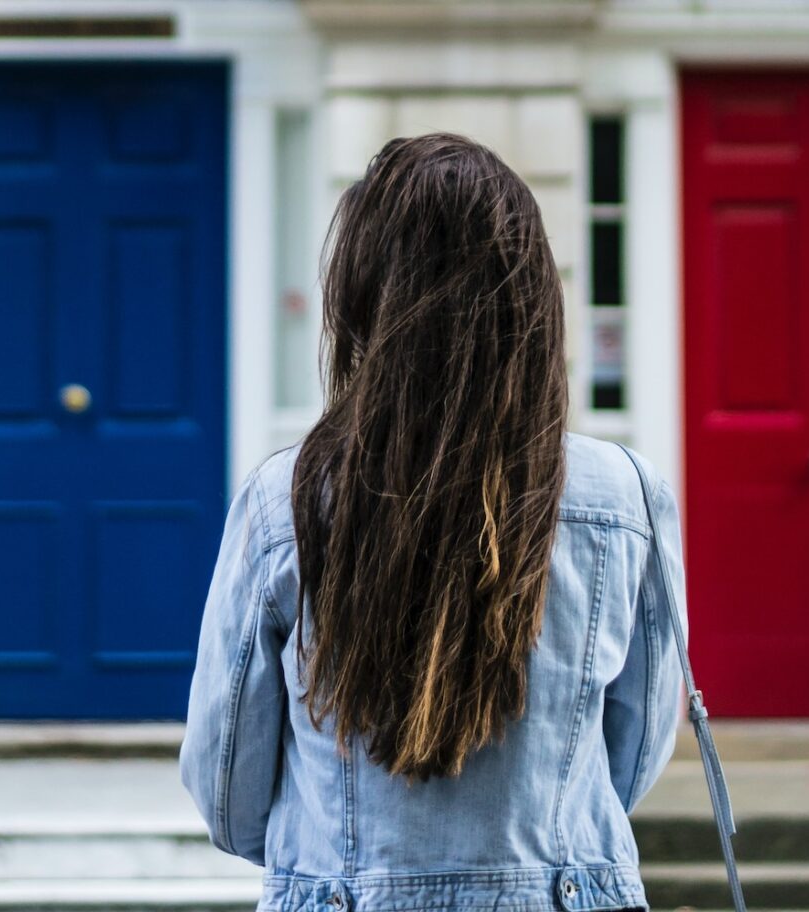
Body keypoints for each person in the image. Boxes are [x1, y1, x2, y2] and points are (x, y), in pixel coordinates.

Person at [179, 132, 687, 912]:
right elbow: (634, 754)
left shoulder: (284, 500)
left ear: (362, 301)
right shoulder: (627, 497)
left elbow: (227, 789)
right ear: (533, 300)